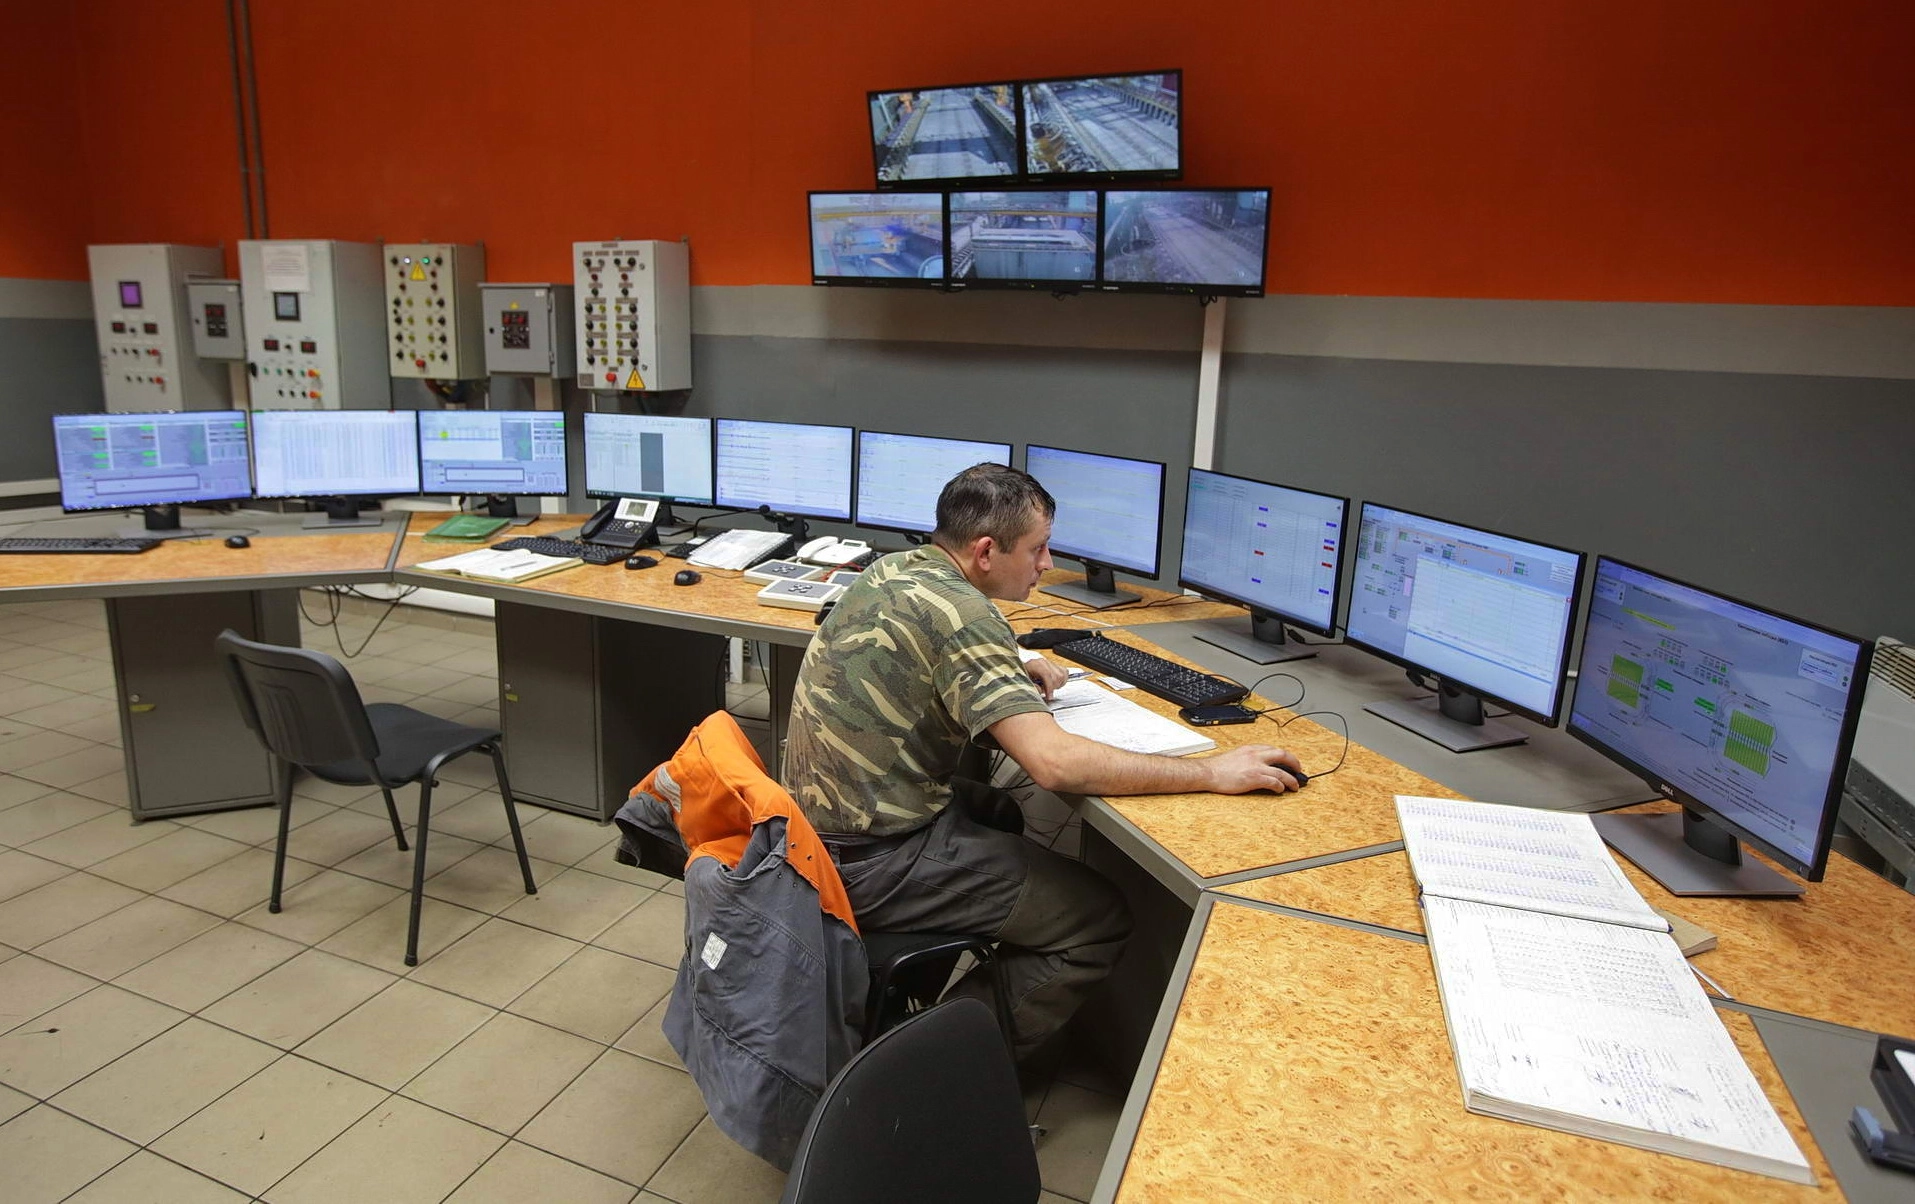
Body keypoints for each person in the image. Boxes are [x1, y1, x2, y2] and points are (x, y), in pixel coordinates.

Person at [782, 462, 1304, 1061]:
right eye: (1038, 548)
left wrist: (1007, 670)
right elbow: (1053, 765)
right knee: (1098, 917)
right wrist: (1213, 772)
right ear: (984, 551)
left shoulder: (898, 569)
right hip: (871, 860)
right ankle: (931, 1065)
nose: (1048, 564)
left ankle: (944, 993)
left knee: (1000, 810)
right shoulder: (965, 618)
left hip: (814, 833)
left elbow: (924, 660)